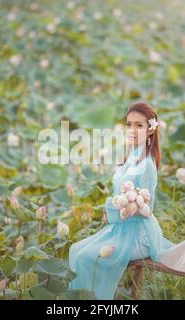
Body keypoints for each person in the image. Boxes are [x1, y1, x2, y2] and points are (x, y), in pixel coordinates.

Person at [68, 101, 174, 299]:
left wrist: (113, 206)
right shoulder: (132, 156)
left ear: (150, 131)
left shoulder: (148, 166)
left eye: (139, 125)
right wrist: (115, 207)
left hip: (137, 234)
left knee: (85, 258)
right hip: (119, 228)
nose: (132, 130)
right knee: (75, 250)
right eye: (129, 124)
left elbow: (146, 210)